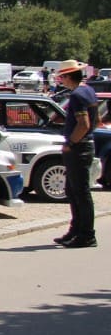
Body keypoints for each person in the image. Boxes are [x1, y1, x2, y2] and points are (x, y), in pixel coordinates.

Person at [53, 60, 97, 248]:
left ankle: (86, 234)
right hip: (86, 144)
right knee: (73, 191)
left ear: (69, 76)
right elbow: (97, 120)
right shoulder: (88, 90)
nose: (61, 80)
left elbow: (84, 123)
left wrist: (71, 143)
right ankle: (76, 230)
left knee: (80, 192)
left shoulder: (78, 95)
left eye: (62, 76)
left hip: (79, 148)